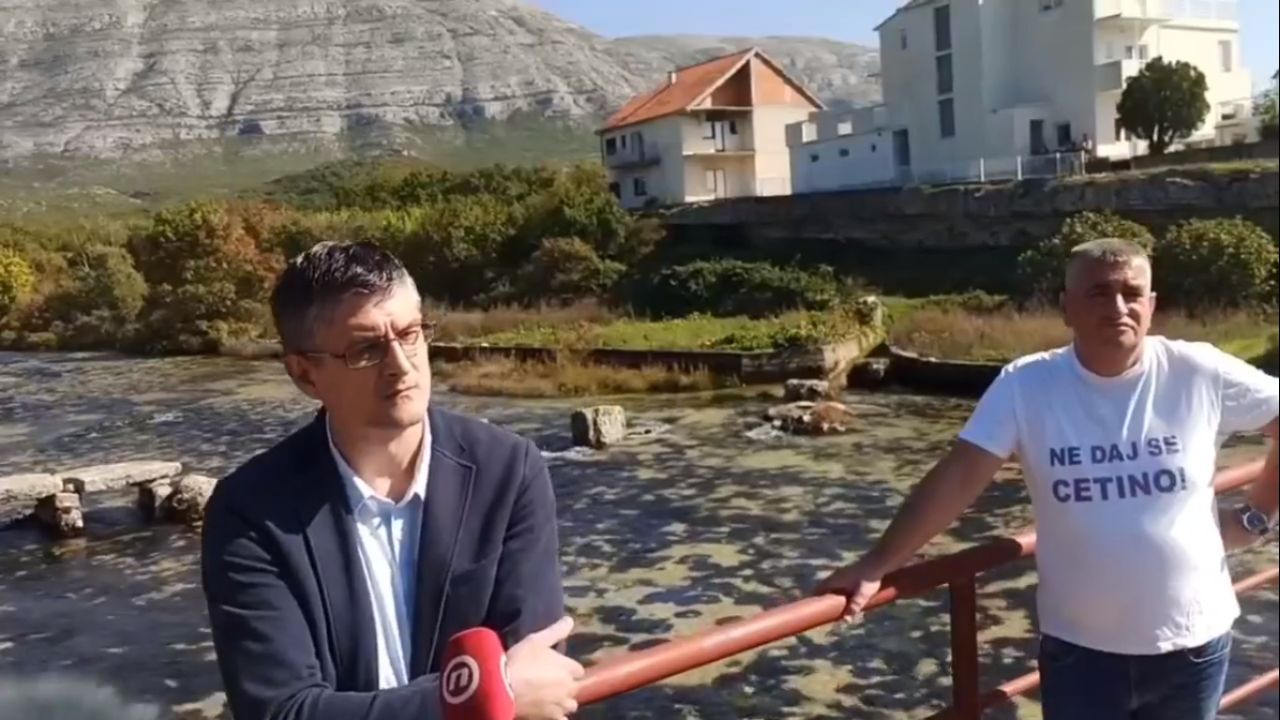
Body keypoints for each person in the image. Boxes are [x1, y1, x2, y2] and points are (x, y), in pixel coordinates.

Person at [817, 238, 1279, 719]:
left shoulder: (1198, 371)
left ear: (1152, 304)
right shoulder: (1027, 385)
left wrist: (1257, 516)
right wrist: (878, 562)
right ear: (1066, 308)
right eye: (1098, 293)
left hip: (1193, 647)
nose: (1118, 307)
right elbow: (958, 476)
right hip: (1081, 656)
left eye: (1132, 293)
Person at [201, 241, 584, 720]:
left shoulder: (508, 471)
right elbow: (282, 711)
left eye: (410, 334)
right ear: (305, 374)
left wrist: (504, 690)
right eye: (366, 350)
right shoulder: (251, 511)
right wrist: (476, 696)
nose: (401, 365)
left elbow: (537, 677)